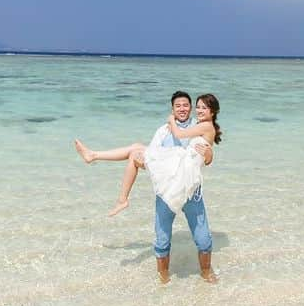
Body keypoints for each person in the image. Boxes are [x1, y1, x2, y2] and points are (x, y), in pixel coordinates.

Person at [74, 91, 222, 283]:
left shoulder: (199, 125)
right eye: (178, 106)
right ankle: (163, 278)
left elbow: (206, 156)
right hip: (166, 187)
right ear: (173, 108)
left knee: (203, 239)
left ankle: (206, 271)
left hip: (190, 190)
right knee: (162, 240)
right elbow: (154, 154)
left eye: (187, 105)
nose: (183, 109)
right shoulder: (163, 130)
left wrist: (208, 154)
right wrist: (143, 157)